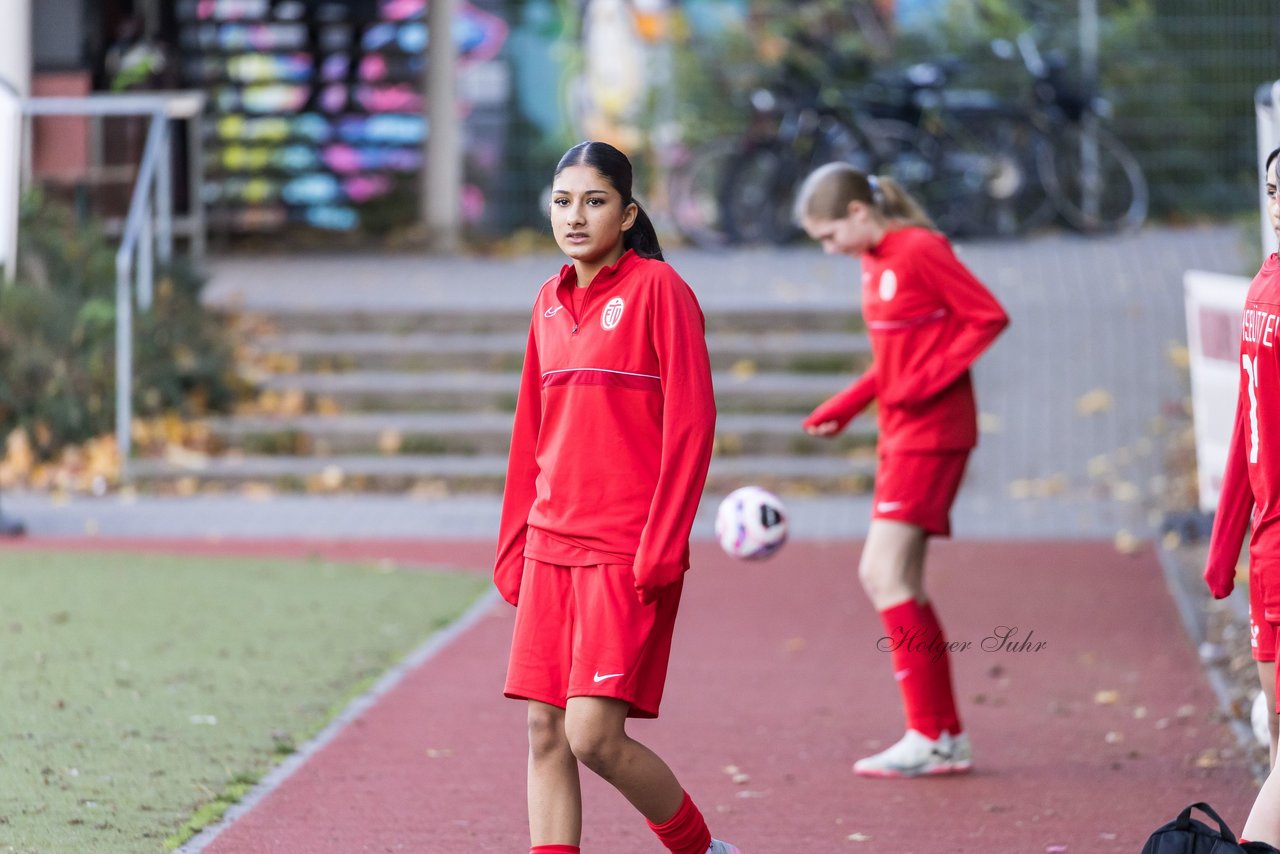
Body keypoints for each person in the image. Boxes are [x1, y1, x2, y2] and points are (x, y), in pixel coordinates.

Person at [494, 141, 738, 854]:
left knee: (593, 736)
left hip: (625, 552)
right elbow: (528, 436)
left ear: (628, 214)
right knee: (544, 733)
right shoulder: (546, 301)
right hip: (550, 545)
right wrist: (514, 544)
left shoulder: (660, 291)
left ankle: (701, 850)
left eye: (594, 201)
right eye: (563, 201)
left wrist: (664, 543)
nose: (575, 216)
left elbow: (692, 424)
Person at [793, 162, 1009, 778]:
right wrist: (851, 401)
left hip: (932, 436)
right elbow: (896, 358)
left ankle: (929, 734)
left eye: (830, 235)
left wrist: (922, 384)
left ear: (859, 213)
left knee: (880, 573)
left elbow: (987, 317)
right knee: (901, 582)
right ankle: (942, 735)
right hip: (901, 432)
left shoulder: (918, 249)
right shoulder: (873, 261)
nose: (830, 249)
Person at [1205, 146, 1280, 846]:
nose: (1279, 200)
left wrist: (1225, 545)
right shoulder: (1269, 284)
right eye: (1272, 187)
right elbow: (1244, 426)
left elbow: (1243, 426)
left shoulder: (1266, 280)